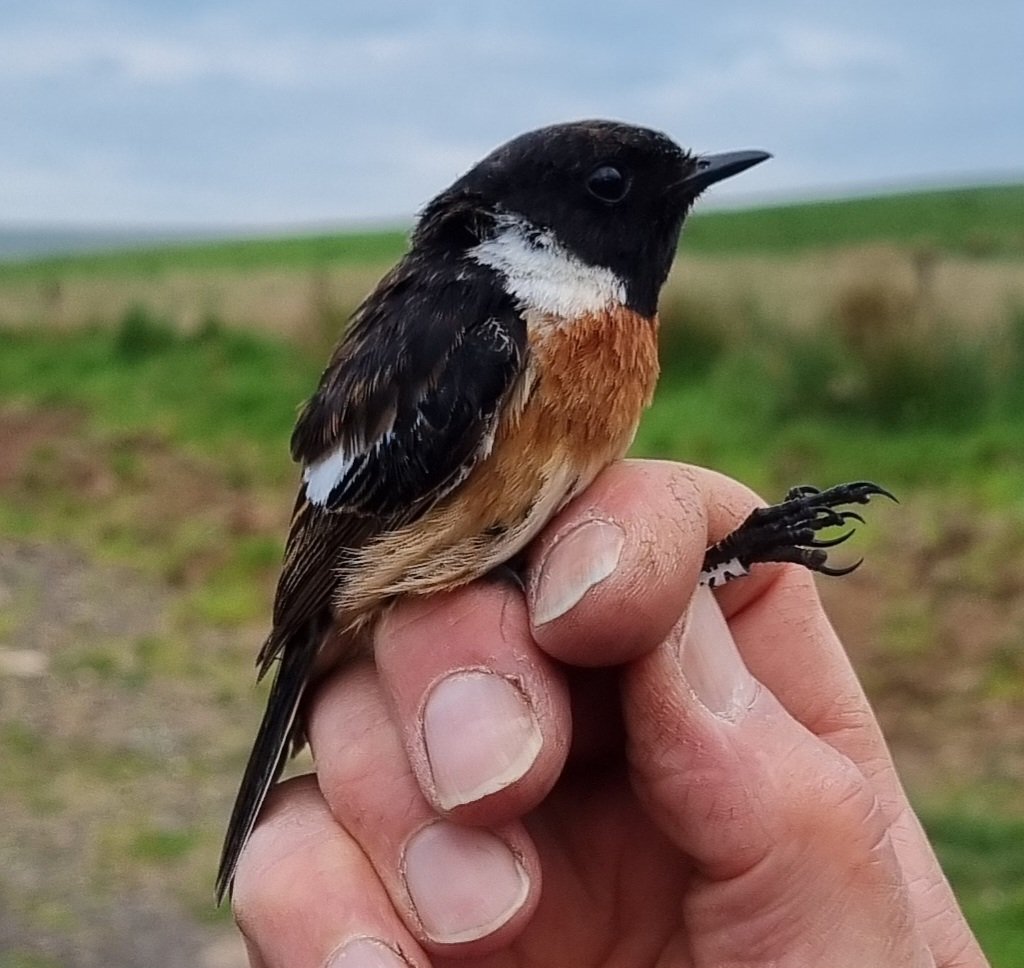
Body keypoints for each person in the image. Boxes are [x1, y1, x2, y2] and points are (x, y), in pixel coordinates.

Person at [229, 461, 988, 968]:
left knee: (580, 588)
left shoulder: (580, 331)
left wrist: (706, 568)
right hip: (379, 587)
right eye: (615, 201)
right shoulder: (481, 333)